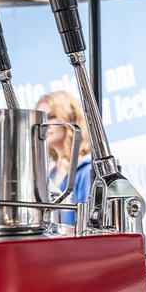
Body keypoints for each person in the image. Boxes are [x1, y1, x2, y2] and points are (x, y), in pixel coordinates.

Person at [36, 91, 92, 225]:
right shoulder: (50, 173)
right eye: (40, 119)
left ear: (71, 118)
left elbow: (91, 228)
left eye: (52, 116)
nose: (45, 124)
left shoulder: (87, 169)